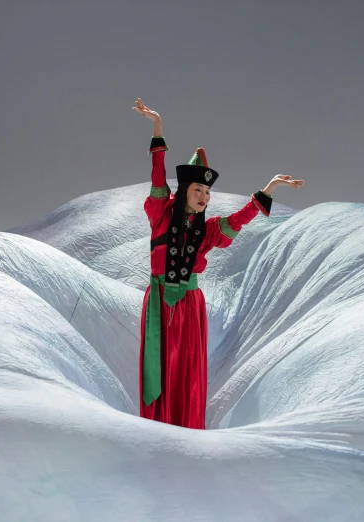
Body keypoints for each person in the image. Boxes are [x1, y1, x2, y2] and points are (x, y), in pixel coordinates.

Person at [132, 98, 304, 429]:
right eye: (199, 190)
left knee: (186, 372)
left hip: (190, 305)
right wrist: (157, 126)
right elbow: (157, 175)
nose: (204, 197)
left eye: (208, 193)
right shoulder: (160, 214)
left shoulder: (208, 231)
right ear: (184, 190)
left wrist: (268, 188)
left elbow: (238, 220)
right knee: (161, 367)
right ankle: (155, 431)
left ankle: (187, 431)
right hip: (158, 303)